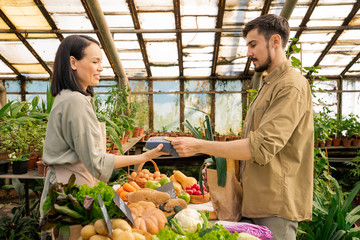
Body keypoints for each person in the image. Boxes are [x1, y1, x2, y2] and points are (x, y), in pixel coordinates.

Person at [171, 14, 314, 239]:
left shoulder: (290, 85)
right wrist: (222, 168)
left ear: (275, 41)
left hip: (275, 206)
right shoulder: (269, 84)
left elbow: (261, 147)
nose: (248, 53)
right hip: (257, 202)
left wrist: (200, 145)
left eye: (253, 45)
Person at [40, 35, 165, 216]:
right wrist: (142, 157)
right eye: (95, 61)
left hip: (70, 187)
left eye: (101, 62)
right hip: (70, 192)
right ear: (73, 63)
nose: (101, 68)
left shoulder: (70, 97)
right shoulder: (75, 101)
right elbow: (97, 163)